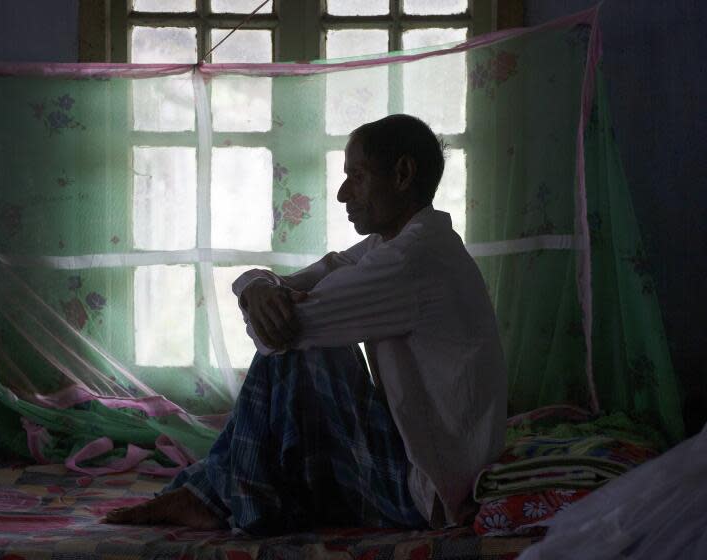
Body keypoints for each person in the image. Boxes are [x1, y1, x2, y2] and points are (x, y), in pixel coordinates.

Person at [104, 114, 507, 535]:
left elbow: (280, 330)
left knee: (300, 344)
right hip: (431, 470)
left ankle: (221, 496)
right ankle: (220, 493)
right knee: (300, 338)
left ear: (403, 174)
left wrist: (266, 300)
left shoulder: (410, 259)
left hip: (428, 492)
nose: (341, 193)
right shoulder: (403, 243)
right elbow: (317, 274)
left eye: (357, 176)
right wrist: (256, 285)